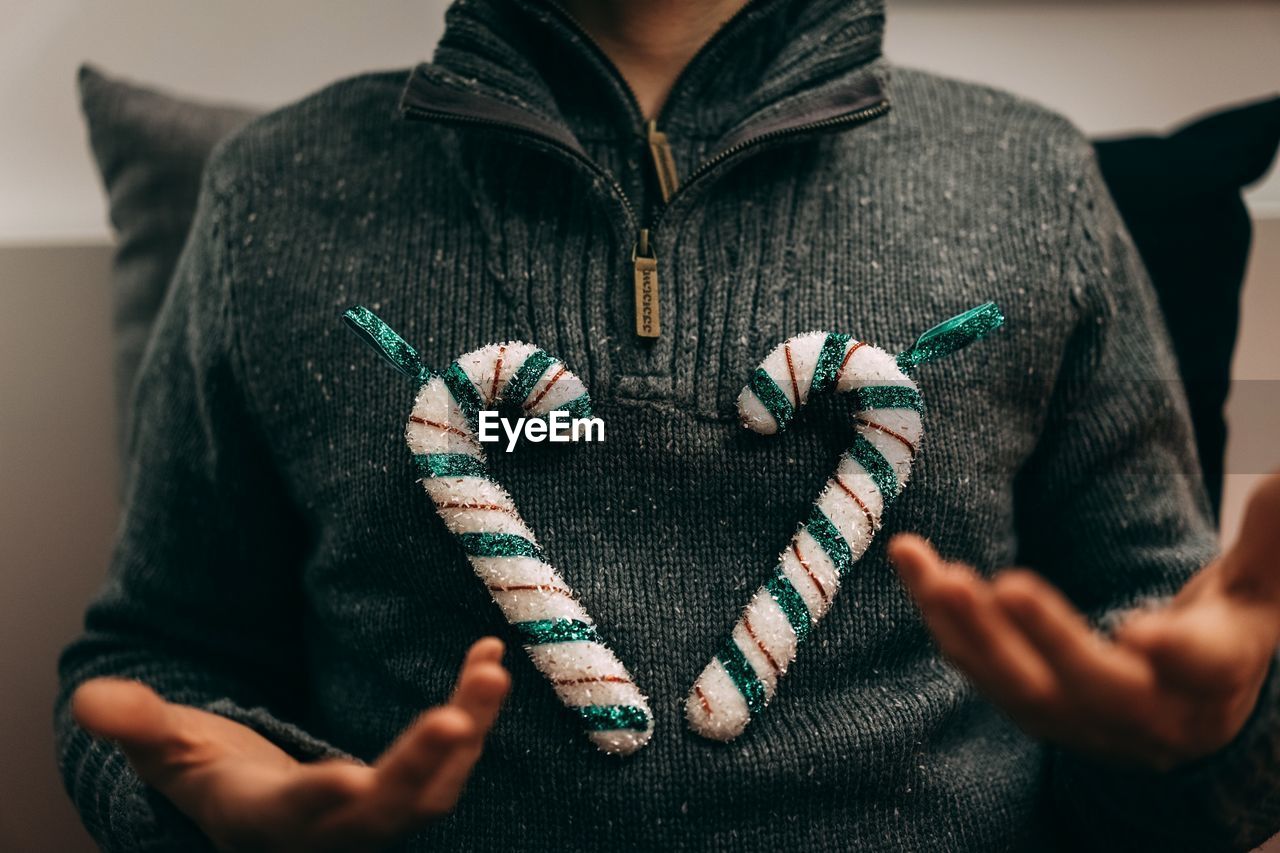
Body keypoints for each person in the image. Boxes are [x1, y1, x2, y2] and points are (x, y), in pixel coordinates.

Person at [56, 0, 1280, 850]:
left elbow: (1159, 661)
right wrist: (216, 805)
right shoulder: (276, 198)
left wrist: (1203, 743)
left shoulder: (1032, 184)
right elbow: (155, 662)